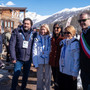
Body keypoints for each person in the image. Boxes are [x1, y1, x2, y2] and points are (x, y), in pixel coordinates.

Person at [10, 18, 36, 90]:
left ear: (31, 25)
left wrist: (34, 59)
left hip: (28, 59)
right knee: (16, 74)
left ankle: (23, 88)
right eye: (25, 23)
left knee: (26, 75)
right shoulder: (16, 31)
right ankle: (13, 88)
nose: (26, 25)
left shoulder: (34, 34)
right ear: (22, 24)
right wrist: (13, 57)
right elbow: (12, 45)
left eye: (28, 24)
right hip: (18, 58)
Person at [59, 25, 80, 90]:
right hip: (63, 71)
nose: (66, 34)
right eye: (64, 33)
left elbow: (77, 59)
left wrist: (75, 73)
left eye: (68, 33)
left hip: (70, 73)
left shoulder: (75, 43)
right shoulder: (64, 43)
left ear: (73, 33)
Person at [33, 24, 51, 90]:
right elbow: (34, 51)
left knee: (47, 78)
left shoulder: (50, 38)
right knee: (39, 77)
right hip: (39, 60)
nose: (43, 31)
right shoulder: (37, 38)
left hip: (48, 61)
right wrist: (35, 63)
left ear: (47, 30)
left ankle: (47, 88)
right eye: (41, 29)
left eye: (44, 29)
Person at [49, 22, 64, 90]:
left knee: (60, 81)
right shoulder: (52, 38)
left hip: (60, 62)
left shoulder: (63, 38)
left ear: (61, 29)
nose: (56, 29)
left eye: (57, 28)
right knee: (55, 79)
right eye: (54, 28)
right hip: (53, 62)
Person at [78, 12, 90, 90]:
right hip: (84, 70)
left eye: (84, 20)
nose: (82, 22)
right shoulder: (82, 34)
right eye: (80, 21)